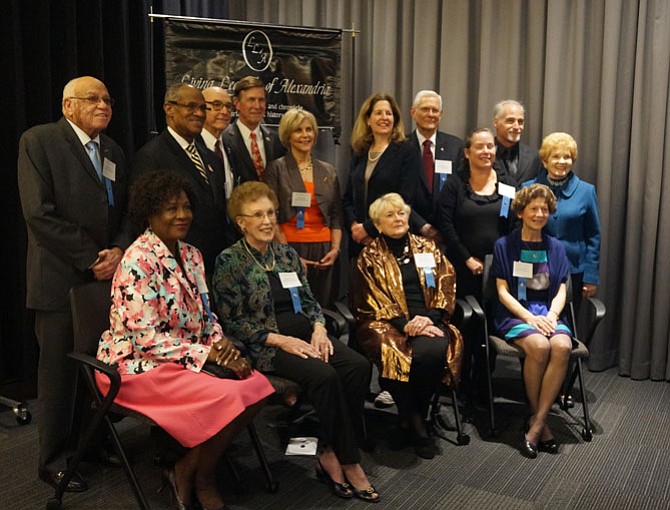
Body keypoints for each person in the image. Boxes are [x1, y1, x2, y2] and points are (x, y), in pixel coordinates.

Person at [96, 170, 274, 510]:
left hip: (186, 357)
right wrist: (209, 355)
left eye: (186, 207)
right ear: (149, 213)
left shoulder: (192, 254)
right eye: (170, 208)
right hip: (135, 366)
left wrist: (222, 345)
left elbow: (207, 314)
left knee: (257, 387)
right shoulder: (137, 260)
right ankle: (204, 479)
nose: (182, 215)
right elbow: (145, 338)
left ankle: (188, 468)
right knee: (230, 395)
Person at [212, 182, 379, 503]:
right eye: (257, 214)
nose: (266, 221)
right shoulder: (229, 261)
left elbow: (310, 300)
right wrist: (280, 340)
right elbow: (232, 321)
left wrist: (318, 327)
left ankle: (330, 451)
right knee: (325, 374)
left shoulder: (286, 254)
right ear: (241, 221)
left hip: (306, 335)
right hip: (267, 346)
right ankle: (350, 462)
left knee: (358, 366)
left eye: (271, 213)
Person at [18, 76, 133, 492]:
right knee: (59, 376)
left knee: (99, 369)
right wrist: (90, 258)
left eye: (107, 99)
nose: (104, 105)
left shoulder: (114, 150)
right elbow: (39, 213)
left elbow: (124, 213)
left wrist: (118, 250)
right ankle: (54, 460)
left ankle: (92, 444)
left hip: (106, 280)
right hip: (61, 282)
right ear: (68, 106)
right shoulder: (40, 141)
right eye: (93, 99)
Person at [352, 193, 463, 459]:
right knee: (394, 354)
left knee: (432, 353)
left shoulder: (428, 247)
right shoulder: (369, 256)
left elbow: (446, 282)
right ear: (378, 224)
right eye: (389, 215)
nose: (398, 219)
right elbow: (371, 298)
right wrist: (405, 324)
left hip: (430, 321)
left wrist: (430, 318)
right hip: (385, 323)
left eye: (401, 213)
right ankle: (418, 425)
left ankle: (407, 419)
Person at [492, 184, 573, 458]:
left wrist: (550, 315)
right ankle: (542, 423)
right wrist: (529, 317)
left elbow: (561, 288)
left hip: (547, 312)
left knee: (562, 346)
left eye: (544, 209)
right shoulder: (504, 245)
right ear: (521, 212)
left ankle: (537, 422)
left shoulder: (556, 247)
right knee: (539, 347)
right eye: (533, 208)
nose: (539, 214)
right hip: (517, 313)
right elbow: (502, 291)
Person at [133, 83, 233, 276]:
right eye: (191, 106)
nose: (199, 113)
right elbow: (143, 218)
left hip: (213, 267)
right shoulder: (152, 156)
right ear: (169, 109)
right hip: (174, 267)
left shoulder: (211, 157)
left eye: (202, 108)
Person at [264, 108, 343, 307]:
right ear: (287, 135)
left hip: (323, 250)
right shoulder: (276, 169)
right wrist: (289, 255)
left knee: (323, 307)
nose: (305, 135)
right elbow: (271, 216)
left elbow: (335, 215)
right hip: (289, 246)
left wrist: (335, 249)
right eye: (298, 130)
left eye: (309, 130)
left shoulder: (328, 171)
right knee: (294, 308)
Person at [342, 92, 426, 257]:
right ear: (368, 119)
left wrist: (368, 229)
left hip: (390, 241)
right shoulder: (359, 151)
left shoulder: (407, 151)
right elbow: (347, 198)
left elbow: (404, 200)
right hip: (358, 242)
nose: (384, 117)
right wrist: (354, 227)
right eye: (378, 113)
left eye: (389, 113)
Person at [524, 132, 600, 312]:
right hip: (535, 267)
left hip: (573, 271)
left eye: (567, 157)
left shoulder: (586, 191)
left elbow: (593, 236)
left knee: (567, 325)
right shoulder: (528, 189)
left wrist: (591, 277)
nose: (561, 161)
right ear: (545, 161)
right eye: (555, 156)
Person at [437, 128, 514, 300]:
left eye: (490, 146)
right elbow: (446, 225)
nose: (486, 151)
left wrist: (503, 258)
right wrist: (467, 259)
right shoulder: (454, 184)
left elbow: (514, 222)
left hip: (500, 266)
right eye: (480, 147)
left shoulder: (507, 183)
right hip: (462, 266)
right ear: (467, 152)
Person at [408, 90, 464, 237]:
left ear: (441, 115)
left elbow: (461, 190)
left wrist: (445, 227)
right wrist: (421, 225)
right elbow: (394, 193)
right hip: (409, 229)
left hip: (446, 233)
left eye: (435, 110)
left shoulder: (456, 146)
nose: (431, 114)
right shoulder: (400, 146)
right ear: (413, 113)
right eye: (425, 109)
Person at [222, 76, 286, 183]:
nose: (257, 106)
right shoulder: (224, 139)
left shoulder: (276, 140)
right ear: (236, 103)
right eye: (251, 100)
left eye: (261, 100)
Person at [492, 100, 542, 187]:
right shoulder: (485, 154)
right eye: (510, 121)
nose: (516, 126)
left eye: (520, 122)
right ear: (496, 123)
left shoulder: (534, 157)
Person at [201, 86, 236, 200]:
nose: (225, 112)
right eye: (217, 105)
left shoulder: (231, 145)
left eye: (228, 106)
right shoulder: (191, 147)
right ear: (201, 108)